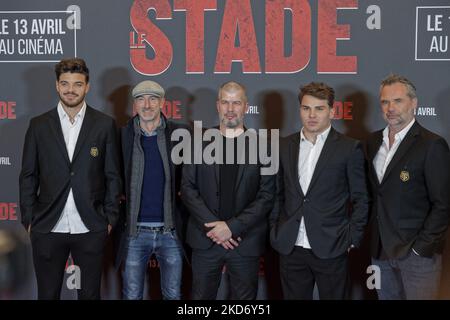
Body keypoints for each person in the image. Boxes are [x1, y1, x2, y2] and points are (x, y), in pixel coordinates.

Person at [19, 57, 122, 299]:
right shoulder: (38, 125)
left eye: (77, 84)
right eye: (65, 83)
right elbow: (28, 176)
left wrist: (108, 219)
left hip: (90, 227)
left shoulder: (104, 125)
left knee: (89, 295)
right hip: (47, 227)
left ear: (87, 86)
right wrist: (29, 219)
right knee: (47, 294)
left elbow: (113, 176)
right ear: (56, 86)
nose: (70, 90)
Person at [270, 82, 369, 299]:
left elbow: (361, 199)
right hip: (291, 246)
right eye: (306, 108)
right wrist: (276, 229)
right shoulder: (283, 145)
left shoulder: (349, 148)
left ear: (332, 111)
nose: (311, 115)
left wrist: (352, 238)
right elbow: (277, 193)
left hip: (332, 246)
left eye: (319, 108)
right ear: (300, 110)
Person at [181, 81, 275, 299]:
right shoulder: (197, 142)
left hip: (245, 241)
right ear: (218, 105)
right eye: (225, 102)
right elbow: (187, 188)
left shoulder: (264, 146)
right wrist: (215, 230)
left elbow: (266, 195)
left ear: (245, 106)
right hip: (206, 240)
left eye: (236, 103)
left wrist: (231, 228)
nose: (230, 109)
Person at [366, 74, 450, 300]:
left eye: (398, 101)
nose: (390, 108)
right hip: (380, 252)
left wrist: (420, 249)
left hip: (417, 256)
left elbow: (443, 204)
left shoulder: (432, 145)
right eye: (385, 102)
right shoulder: (372, 142)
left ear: (414, 103)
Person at [118, 80, 187, 300]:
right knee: (131, 295)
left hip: (171, 232)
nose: (146, 105)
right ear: (134, 104)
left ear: (162, 103)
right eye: (140, 99)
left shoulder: (179, 135)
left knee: (173, 295)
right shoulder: (122, 136)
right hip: (134, 232)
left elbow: (191, 179)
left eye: (153, 99)